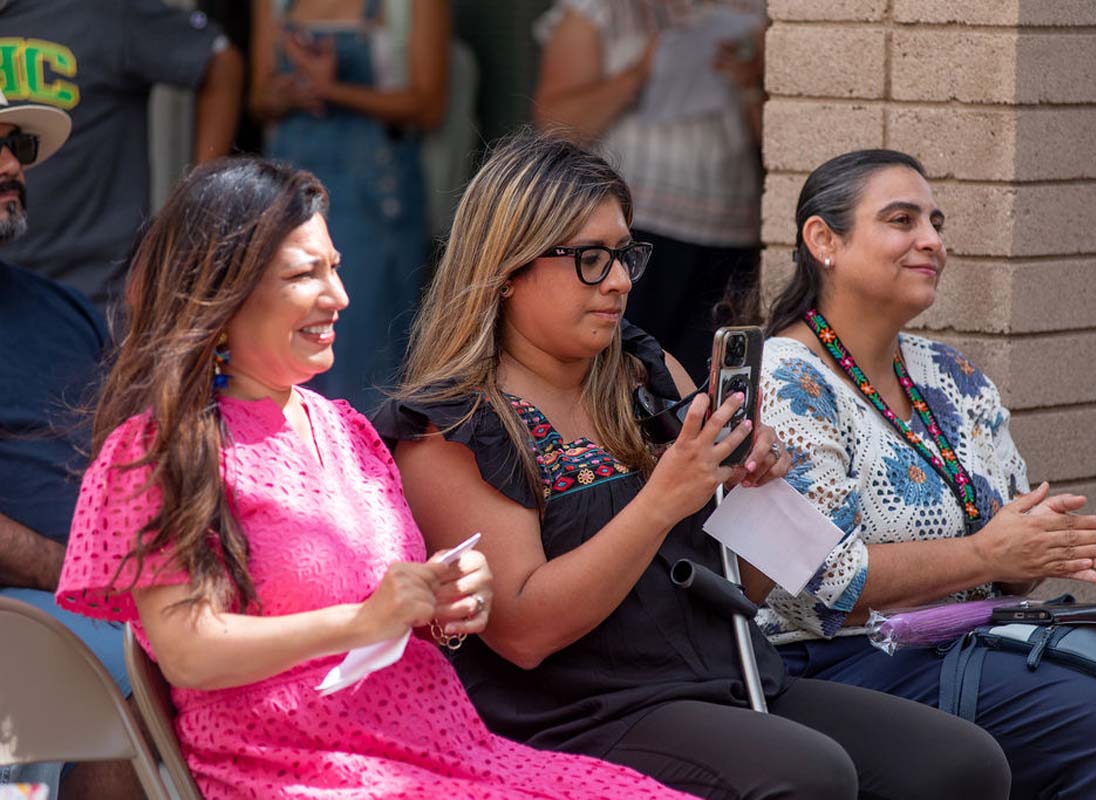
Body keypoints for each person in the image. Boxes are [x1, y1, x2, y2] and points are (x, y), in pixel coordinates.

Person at [377, 131, 1012, 800]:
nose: (619, 281)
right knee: (805, 775)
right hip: (580, 715)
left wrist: (755, 487)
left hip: (727, 675)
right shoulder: (452, 425)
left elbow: (766, 581)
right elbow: (526, 632)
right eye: (590, 259)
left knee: (961, 764)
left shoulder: (645, 372)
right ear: (509, 271)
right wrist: (665, 496)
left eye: (625, 255)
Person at [53, 156, 693, 800]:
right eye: (306, 274)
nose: (339, 297)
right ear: (223, 291)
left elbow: (392, 610)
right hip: (297, 766)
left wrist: (441, 604)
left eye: (334, 268)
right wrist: (363, 620)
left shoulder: (346, 430)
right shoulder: (158, 450)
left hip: (439, 749)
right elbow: (189, 653)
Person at [755, 148, 1096, 800]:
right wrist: (984, 551)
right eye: (902, 220)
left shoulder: (949, 373)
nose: (932, 241)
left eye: (935, 222)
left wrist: (1033, 549)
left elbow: (1004, 548)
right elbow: (826, 580)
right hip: (836, 662)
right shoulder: (786, 378)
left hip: (975, 640)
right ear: (824, 240)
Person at [0, 89, 143, 800]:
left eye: (16, 147)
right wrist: (86, 577)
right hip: (27, 611)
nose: (10, 165)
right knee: (178, 664)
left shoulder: (61, 308)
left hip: (100, 597)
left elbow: (129, 454)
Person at [532, 0, 766, 382]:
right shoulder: (596, 10)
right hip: (634, 227)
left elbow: (789, 141)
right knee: (623, 371)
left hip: (732, 232)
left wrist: (753, 83)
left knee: (707, 381)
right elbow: (554, 125)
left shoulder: (754, 10)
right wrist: (639, 73)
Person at [250, 0, 447, 411]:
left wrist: (331, 89)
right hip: (289, 195)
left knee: (369, 347)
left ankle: (366, 464)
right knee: (280, 337)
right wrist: (290, 91)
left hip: (376, 202)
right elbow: (258, 99)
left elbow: (429, 107)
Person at [0, 0, 243, 316]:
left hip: (95, 292)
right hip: (11, 289)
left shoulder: (102, 11)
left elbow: (220, 62)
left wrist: (196, 210)